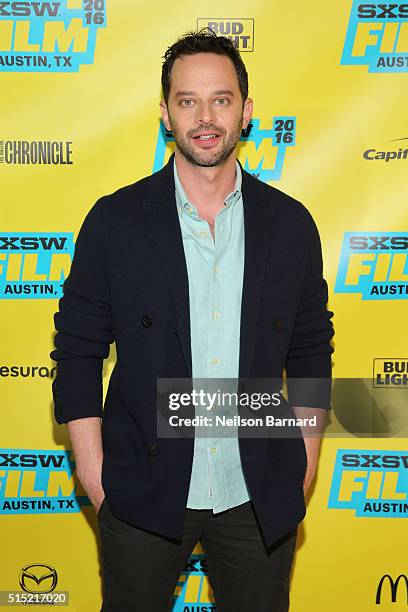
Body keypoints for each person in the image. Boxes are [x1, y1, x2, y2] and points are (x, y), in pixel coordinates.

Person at [51, 29, 334, 612]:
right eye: (187, 101)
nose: (205, 117)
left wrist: (304, 462)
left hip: (258, 494)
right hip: (142, 494)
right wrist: (97, 477)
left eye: (221, 100)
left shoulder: (290, 225)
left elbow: (311, 349)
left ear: (246, 110)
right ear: (165, 113)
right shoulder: (115, 221)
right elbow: (77, 352)